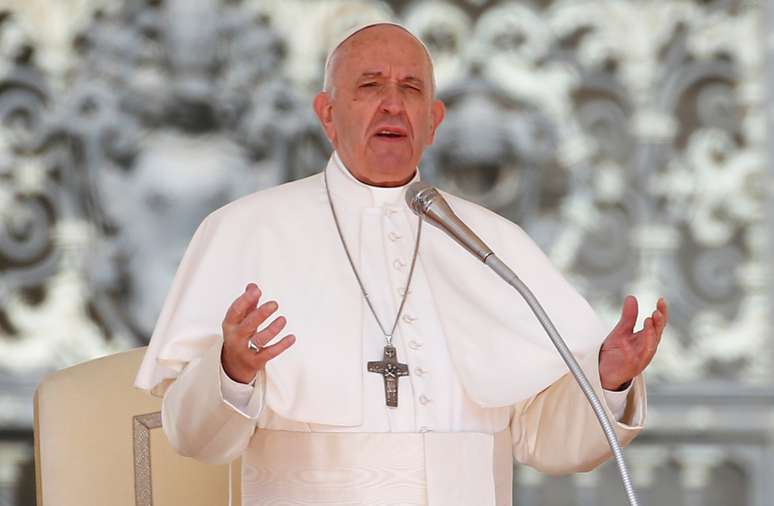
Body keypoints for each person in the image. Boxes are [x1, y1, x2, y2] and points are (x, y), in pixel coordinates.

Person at [135, 22, 667, 505]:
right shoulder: (245, 230)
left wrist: (607, 379)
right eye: (370, 86)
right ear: (327, 114)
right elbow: (193, 438)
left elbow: (543, 439)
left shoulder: (494, 244)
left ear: (433, 121)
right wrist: (231, 370)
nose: (392, 104)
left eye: (411, 89)